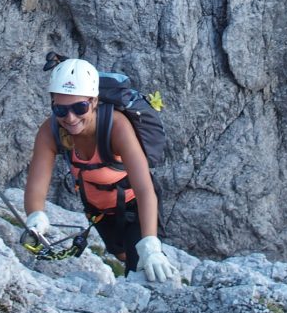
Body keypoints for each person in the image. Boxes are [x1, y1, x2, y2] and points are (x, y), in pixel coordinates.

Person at [23, 57, 177, 282]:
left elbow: (144, 189)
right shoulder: (51, 131)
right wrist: (36, 215)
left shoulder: (116, 127)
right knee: (120, 252)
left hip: (135, 207)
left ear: (94, 101)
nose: (71, 117)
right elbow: (37, 183)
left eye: (79, 107)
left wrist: (151, 245)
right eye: (61, 109)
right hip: (98, 210)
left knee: (141, 271)